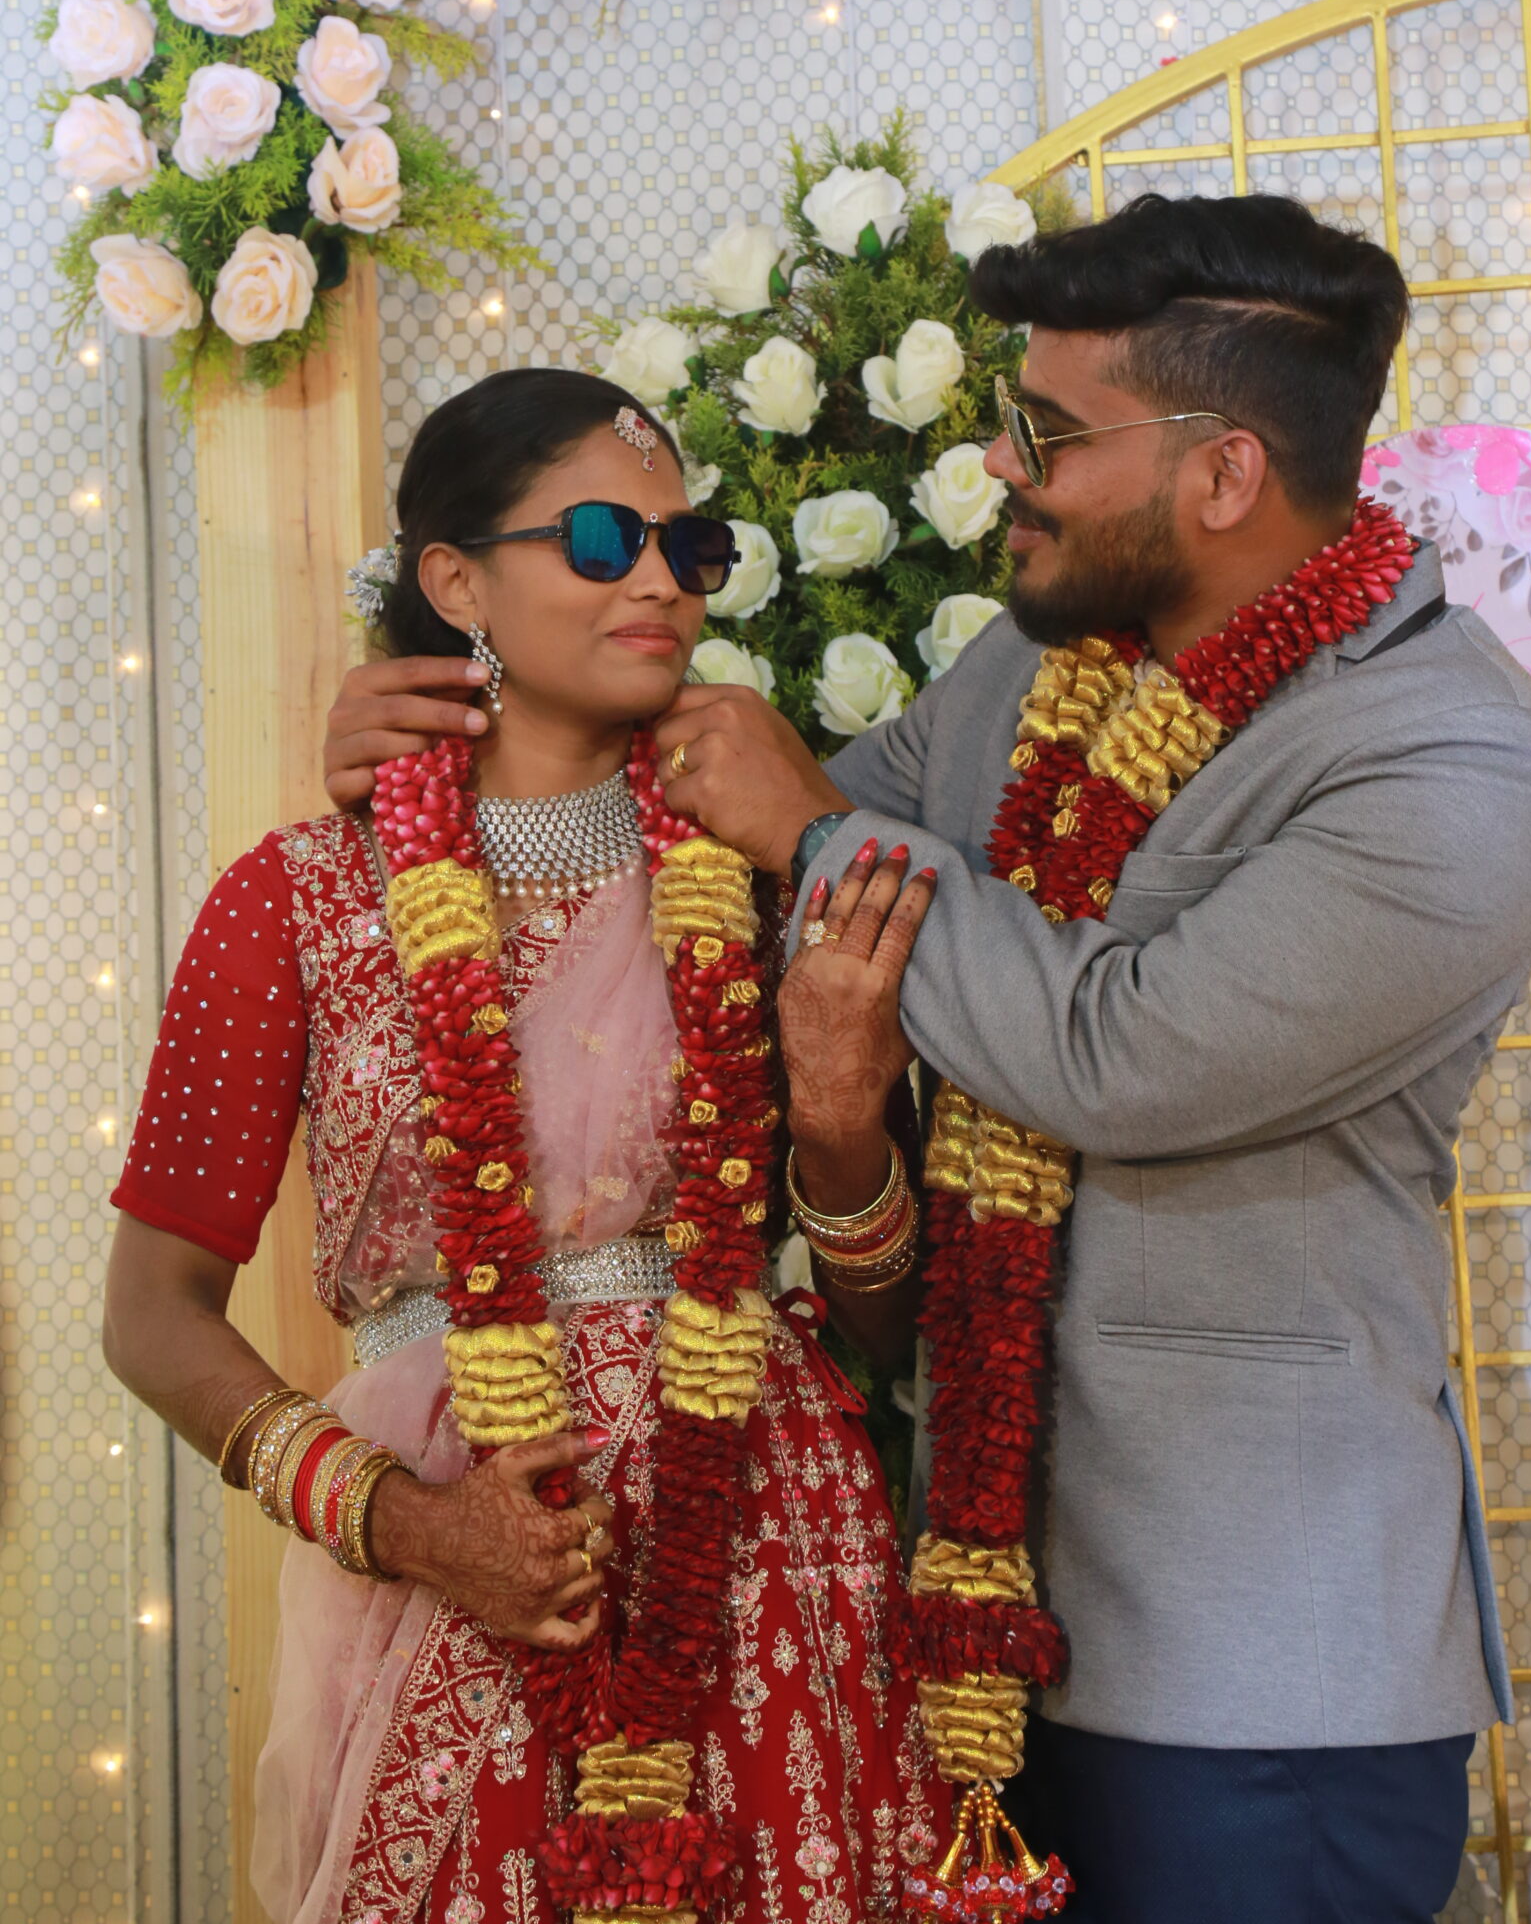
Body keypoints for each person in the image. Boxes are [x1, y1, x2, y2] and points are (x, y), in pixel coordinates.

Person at [327, 194, 1531, 1924]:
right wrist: (448, 750)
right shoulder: (1034, 662)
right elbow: (718, 877)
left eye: (1049, 435)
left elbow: (1114, 1051)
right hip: (955, 1629)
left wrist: (815, 835)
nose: (1001, 466)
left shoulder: (1452, 758)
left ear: (1224, 474)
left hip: (1257, 1675)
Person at [105, 369, 949, 1924]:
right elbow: (150, 1317)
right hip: (462, 1539)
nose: (660, 580)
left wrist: (842, 1127)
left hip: (761, 1544)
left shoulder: (765, 871)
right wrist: (413, 1524)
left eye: (691, 548)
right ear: (456, 581)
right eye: (604, 538)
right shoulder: (296, 898)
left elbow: (892, 1325)